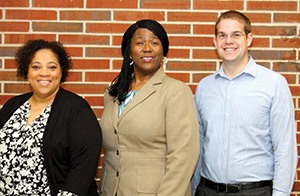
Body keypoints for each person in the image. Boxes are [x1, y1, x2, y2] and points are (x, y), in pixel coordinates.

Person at [191, 10, 297, 196]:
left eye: (236, 35)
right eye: (222, 35)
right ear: (215, 42)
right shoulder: (204, 88)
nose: (228, 41)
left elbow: (285, 149)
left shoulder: (273, 84)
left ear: (249, 39)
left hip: (254, 192)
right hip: (207, 190)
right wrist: (193, 190)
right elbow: (198, 145)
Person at [99, 19, 199, 196]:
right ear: (129, 52)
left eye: (154, 42)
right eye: (139, 43)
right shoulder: (112, 94)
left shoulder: (175, 91)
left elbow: (184, 156)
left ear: (163, 51)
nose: (147, 48)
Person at [0, 39, 102, 196]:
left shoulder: (77, 110)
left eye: (52, 67)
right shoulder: (12, 106)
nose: (44, 73)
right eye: (36, 67)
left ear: (61, 71)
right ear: (26, 70)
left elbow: (82, 169)